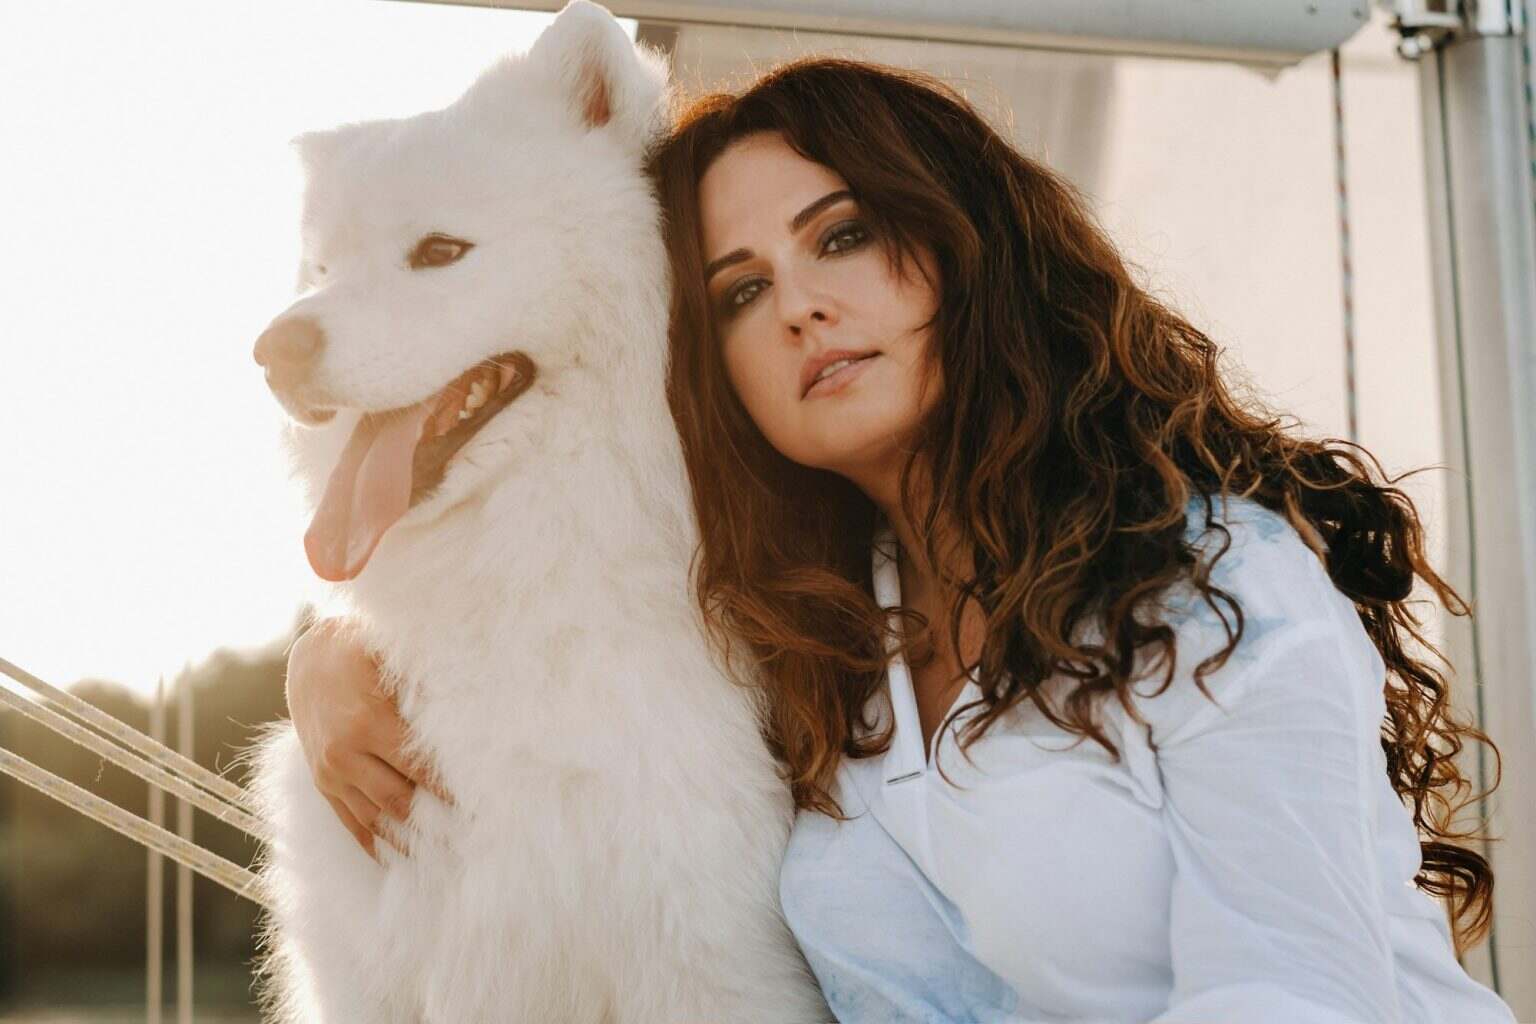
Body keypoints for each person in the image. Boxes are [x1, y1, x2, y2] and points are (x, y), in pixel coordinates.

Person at [283, 55, 1516, 1023]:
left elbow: (1299, 999)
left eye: (844, 235)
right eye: (742, 290)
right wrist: (335, 655)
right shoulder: (799, 624)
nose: (805, 303)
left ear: (966, 246)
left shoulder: (1218, 589)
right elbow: (563, 600)